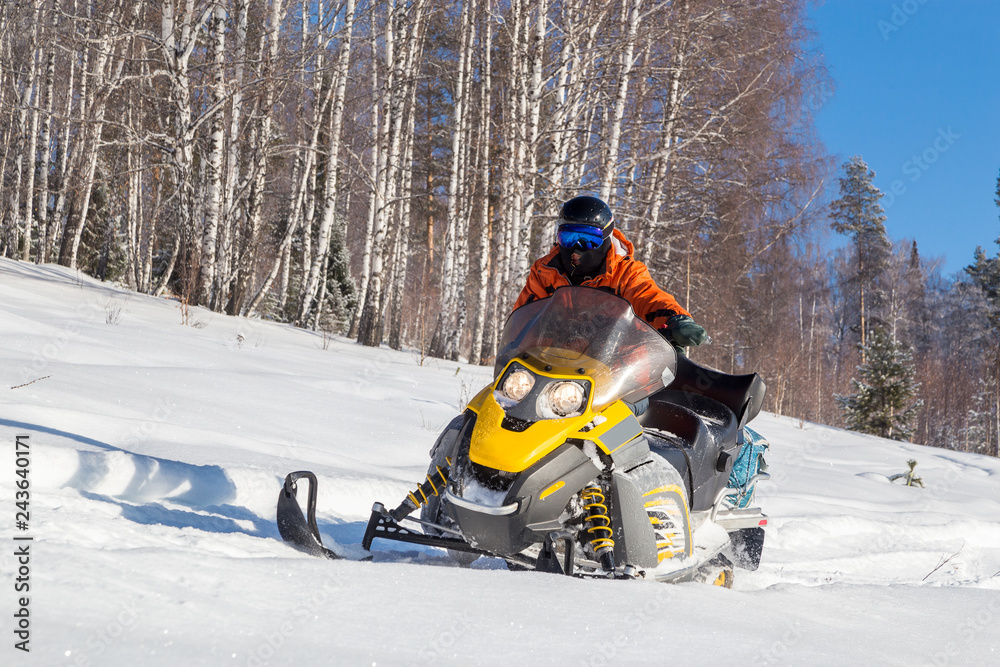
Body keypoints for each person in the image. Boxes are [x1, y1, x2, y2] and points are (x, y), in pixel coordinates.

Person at [513, 195, 709, 355]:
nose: (577, 248)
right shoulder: (545, 272)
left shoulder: (626, 273)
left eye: (589, 239)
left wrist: (677, 320)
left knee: (640, 404)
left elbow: (649, 297)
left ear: (607, 237)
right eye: (569, 237)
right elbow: (522, 319)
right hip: (555, 363)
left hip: (617, 371)